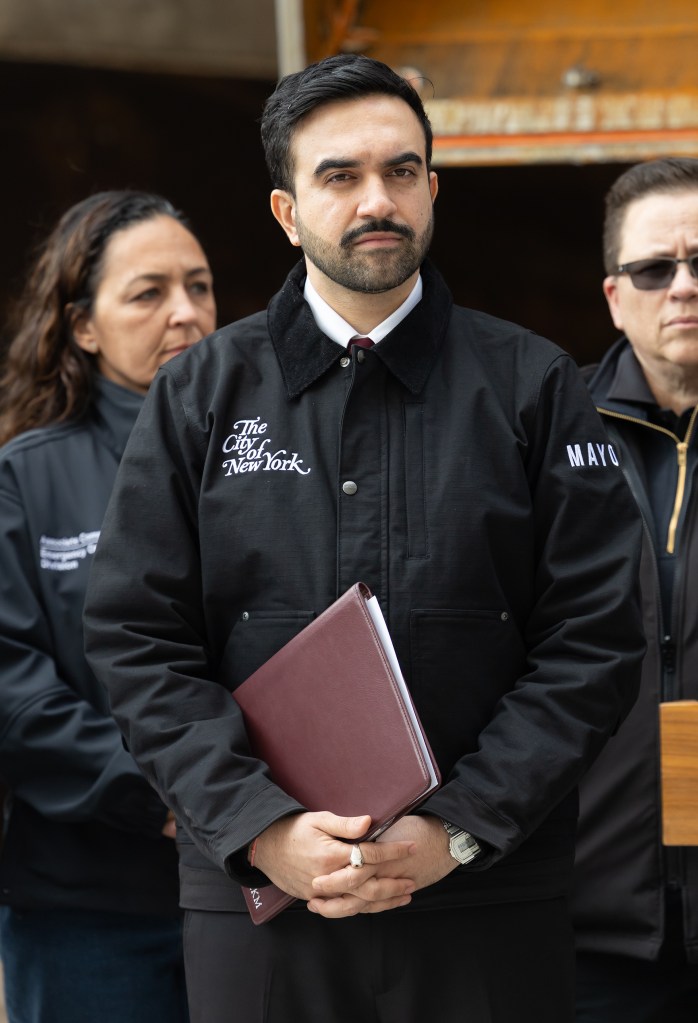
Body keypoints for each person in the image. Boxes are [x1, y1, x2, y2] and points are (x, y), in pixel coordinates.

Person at [83, 56, 645, 1023]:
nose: (375, 200)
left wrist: (461, 827)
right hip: (263, 907)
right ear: (286, 211)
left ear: (434, 188)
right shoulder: (200, 393)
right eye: (339, 176)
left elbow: (593, 638)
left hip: (488, 900)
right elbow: (137, 637)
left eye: (401, 172)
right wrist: (262, 829)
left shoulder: (535, 385)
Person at [0, 189, 216, 1023]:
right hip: (86, 910)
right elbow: (14, 696)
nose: (186, 313)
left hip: (256, 893)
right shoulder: (26, 477)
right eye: (149, 292)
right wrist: (167, 798)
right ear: (84, 326)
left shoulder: (269, 459)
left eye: (199, 286)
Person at [572, 157, 698, 1021]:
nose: (684, 286)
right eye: (657, 268)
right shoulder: (548, 444)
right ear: (616, 296)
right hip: (598, 926)